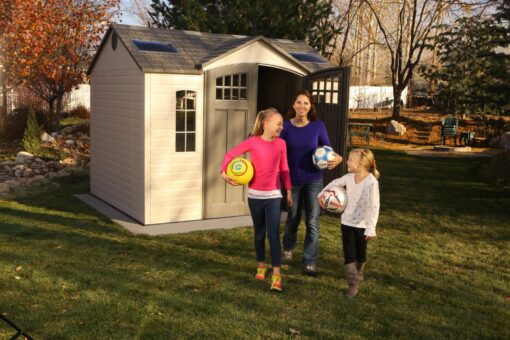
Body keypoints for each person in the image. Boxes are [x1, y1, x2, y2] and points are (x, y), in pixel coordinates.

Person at [221, 108, 293, 292]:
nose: (281, 127)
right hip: (255, 196)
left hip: (274, 195)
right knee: (259, 233)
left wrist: (289, 191)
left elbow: (284, 168)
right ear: (266, 124)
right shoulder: (252, 142)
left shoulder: (281, 144)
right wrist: (224, 173)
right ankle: (261, 264)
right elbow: (229, 156)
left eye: (281, 124)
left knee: (274, 234)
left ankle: (276, 274)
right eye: (278, 123)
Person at [280, 91, 342, 276]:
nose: (302, 106)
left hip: (314, 179)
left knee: (313, 221)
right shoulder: (286, 128)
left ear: (310, 106)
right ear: (293, 105)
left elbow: (328, 150)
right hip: (293, 180)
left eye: (306, 103)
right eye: (298, 102)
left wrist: (338, 158)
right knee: (293, 218)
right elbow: (280, 153)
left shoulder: (318, 126)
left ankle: (309, 261)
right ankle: (288, 248)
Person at [318, 148, 380, 298]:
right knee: (349, 254)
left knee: (361, 254)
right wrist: (322, 194)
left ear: (360, 163)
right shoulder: (348, 177)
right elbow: (334, 183)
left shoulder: (371, 182)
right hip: (347, 222)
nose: (347, 161)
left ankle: (359, 270)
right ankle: (352, 285)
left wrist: (370, 228)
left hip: (362, 225)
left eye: (350, 159)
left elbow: (374, 206)